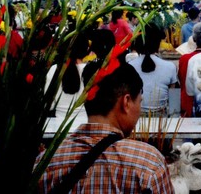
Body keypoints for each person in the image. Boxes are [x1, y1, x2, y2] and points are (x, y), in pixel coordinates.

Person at [36, 61, 174, 193]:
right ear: (126, 102)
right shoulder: (149, 164)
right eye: (139, 101)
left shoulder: (45, 163)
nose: (139, 110)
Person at [128, 25, 178, 115]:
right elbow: (174, 105)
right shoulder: (170, 67)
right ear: (158, 43)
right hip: (161, 120)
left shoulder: (129, 66)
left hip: (134, 119)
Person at [45, 35, 90, 123]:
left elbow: (48, 105)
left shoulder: (55, 69)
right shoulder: (91, 70)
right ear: (86, 50)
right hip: (86, 124)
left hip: (57, 127)